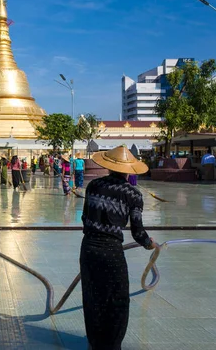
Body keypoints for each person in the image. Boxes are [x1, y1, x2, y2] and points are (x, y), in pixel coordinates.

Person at [81, 145, 157, 350]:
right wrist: (149, 244)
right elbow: (137, 232)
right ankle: (112, 344)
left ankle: (95, 342)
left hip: (88, 248)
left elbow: (84, 217)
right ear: (129, 169)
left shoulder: (93, 186)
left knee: (92, 296)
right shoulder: (133, 194)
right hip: (111, 251)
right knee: (117, 298)